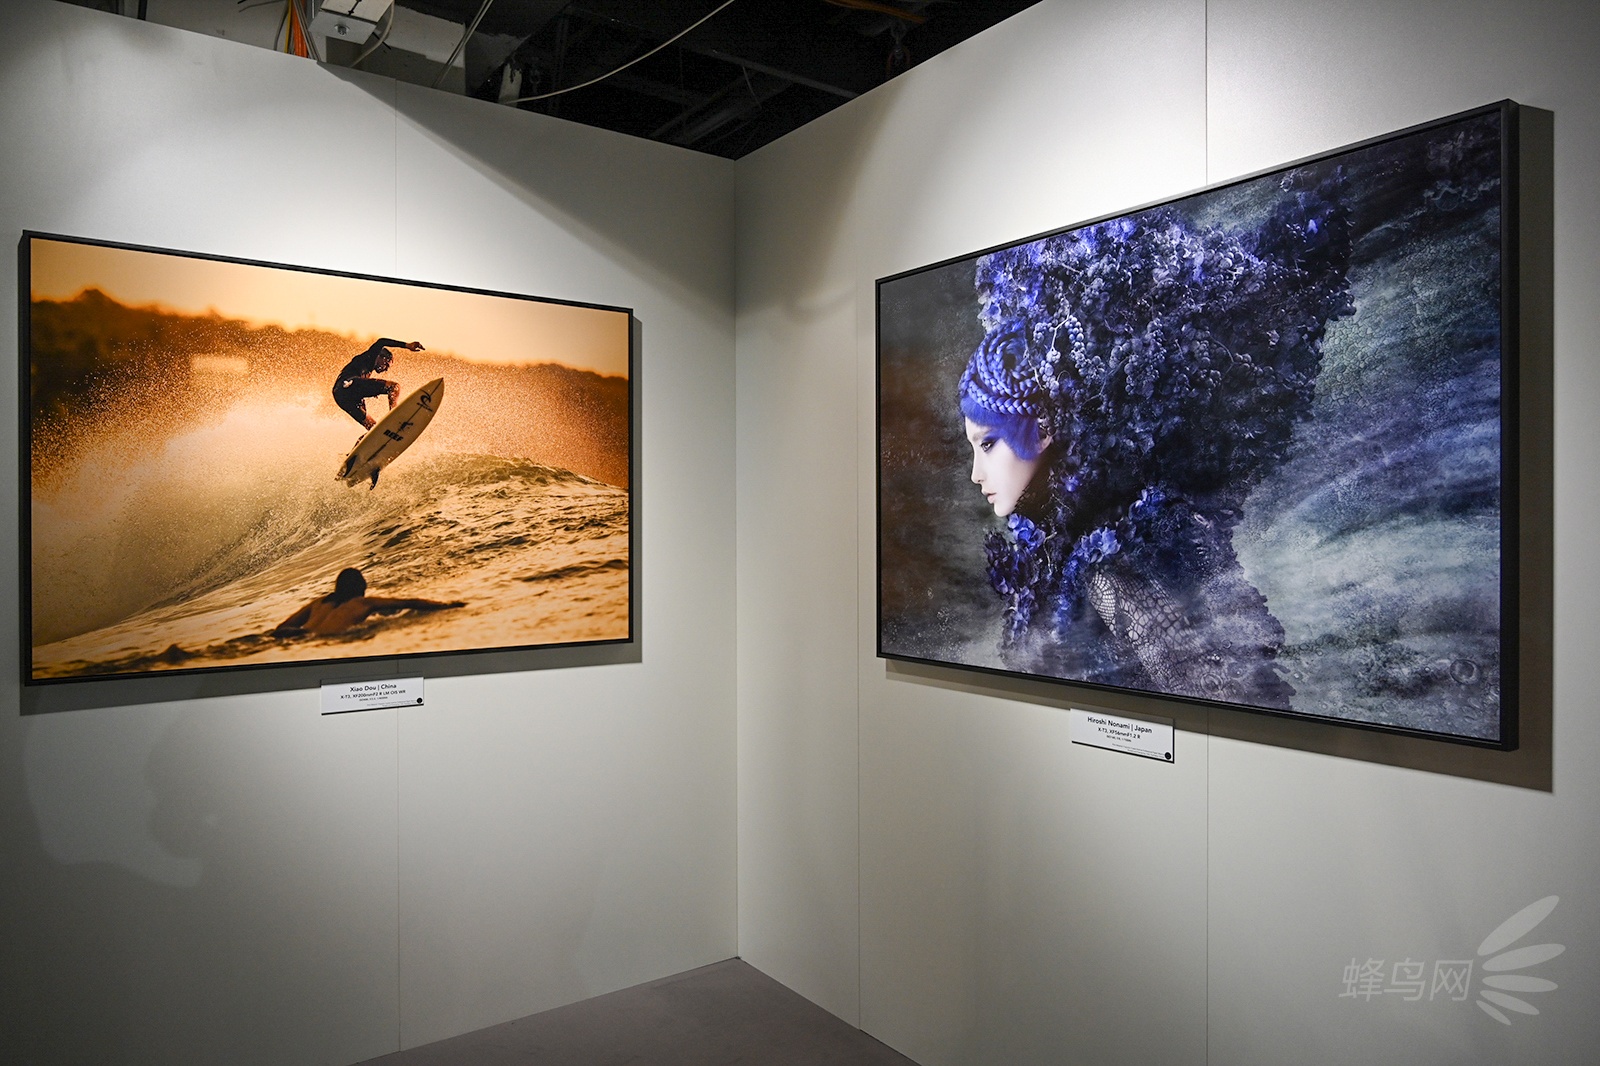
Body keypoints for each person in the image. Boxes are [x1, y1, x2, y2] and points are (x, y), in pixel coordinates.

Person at [955, 167, 1356, 708]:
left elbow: (1234, 703)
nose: (977, 473)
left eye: (988, 444)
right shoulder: (1069, 545)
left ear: (1044, 428)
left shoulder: (1119, 566)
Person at [273, 568, 464, 637]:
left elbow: (281, 628)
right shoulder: (363, 603)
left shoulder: (319, 602)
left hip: (297, 635)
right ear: (360, 588)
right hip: (325, 639)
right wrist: (446, 606)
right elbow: (410, 602)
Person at [333, 337, 425, 429]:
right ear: (380, 357)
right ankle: (394, 415)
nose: (386, 369)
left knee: (373, 428)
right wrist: (407, 345)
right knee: (394, 387)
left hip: (341, 396)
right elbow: (381, 342)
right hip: (350, 384)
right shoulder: (370, 357)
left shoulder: (365, 371)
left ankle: (364, 443)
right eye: (387, 364)